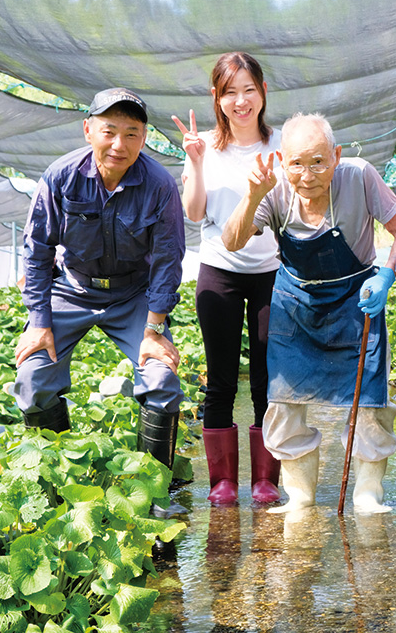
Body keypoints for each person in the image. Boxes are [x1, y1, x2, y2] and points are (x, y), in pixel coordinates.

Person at [222, 113, 396, 515]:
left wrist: (387, 275)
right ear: (283, 161)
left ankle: (368, 493)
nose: (307, 175)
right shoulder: (272, 188)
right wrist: (253, 196)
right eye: (297, 164)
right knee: (284, 400)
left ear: (336, 157)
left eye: (318, 162)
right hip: (294, 305)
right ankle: (300, 494)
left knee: (371, 400)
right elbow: (232, 242)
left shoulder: (359, 177)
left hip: (356, 299)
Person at [12, 88, 186, 490]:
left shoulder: (160, 185)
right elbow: (37, 250)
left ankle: (152, 492)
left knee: (161, 379)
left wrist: (154, 328)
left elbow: (167, 259)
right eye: (109, 131)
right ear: (88, 130)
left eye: (131, 133)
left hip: (134, 296)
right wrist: (39, 322)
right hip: (72, 288)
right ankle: (55, 490)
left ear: (144, 138)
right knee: (33, 379)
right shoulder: (61, 177)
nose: (119, 145)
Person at [172, 52, 282, 505]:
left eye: (248, 90)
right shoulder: (207, 150)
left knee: (266, 378)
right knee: (219, 378)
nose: (241, 101)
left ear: (262, 93)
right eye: (230, 92)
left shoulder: (280, 143)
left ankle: (264, 480)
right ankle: (222, 482)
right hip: (218, 270)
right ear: (217, 99)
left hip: (272, 273)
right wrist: (195, 161)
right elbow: (194, 213)